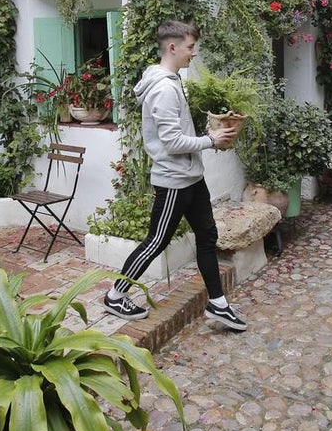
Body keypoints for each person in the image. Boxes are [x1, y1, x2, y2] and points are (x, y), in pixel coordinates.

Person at [102, 20, 246, 331]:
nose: (194, 53)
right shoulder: (164, 88)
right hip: (174, 183)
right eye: (191, 47)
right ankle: (115, 295)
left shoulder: (171, 81)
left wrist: (205, 133)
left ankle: (217, 304)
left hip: (192, 178)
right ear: (173, 47)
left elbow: (177, 132)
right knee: (156, 240)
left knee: (207, 235)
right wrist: (211, 141)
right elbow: (172, 142)